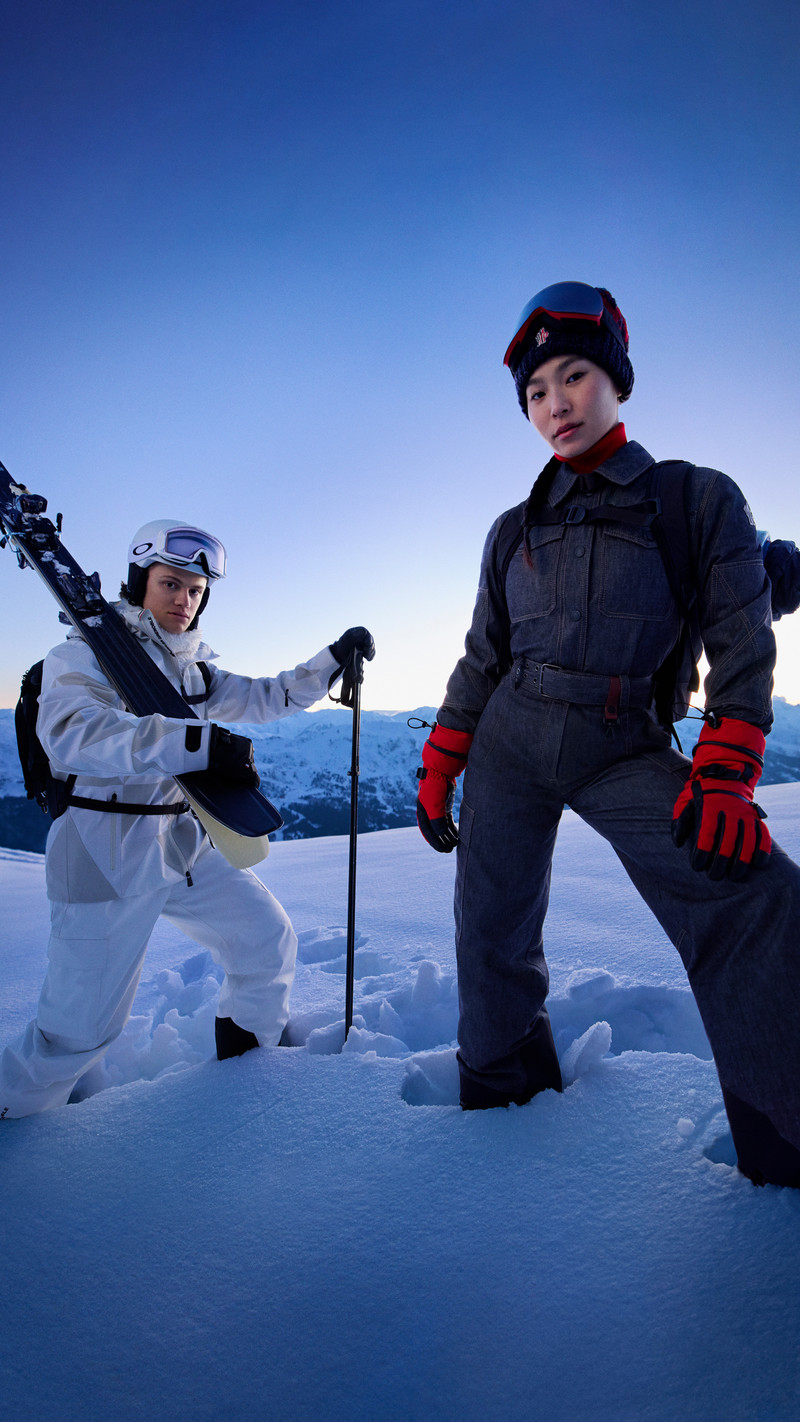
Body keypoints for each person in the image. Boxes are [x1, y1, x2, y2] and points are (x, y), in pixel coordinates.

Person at [416, 281, 800, 1188]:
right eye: (537, 391)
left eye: (575, 375)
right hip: (512, 739)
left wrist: (727, 771)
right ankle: (503, 1098)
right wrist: (444, 761)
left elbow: (741, 646)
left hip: (624, 742)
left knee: (752, 893)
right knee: (492, 929)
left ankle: (784, 1135)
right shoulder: (512, 530)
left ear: (617, 380)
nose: (557, 403)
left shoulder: (694, 499)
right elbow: (481, 659)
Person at [0, 519, 374, 1118]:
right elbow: (73, 734)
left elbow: (266, 696)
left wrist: (331, 659)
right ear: (138, 582)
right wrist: (198, 745)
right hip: (103, 850)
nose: (184, 599)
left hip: (179, 839)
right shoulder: (84, 655)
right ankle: (13, 1118)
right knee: (77, 1032)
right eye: (171, 583)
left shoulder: (192, 671)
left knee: (264, 942)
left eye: (196, 590)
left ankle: (246, 1076)